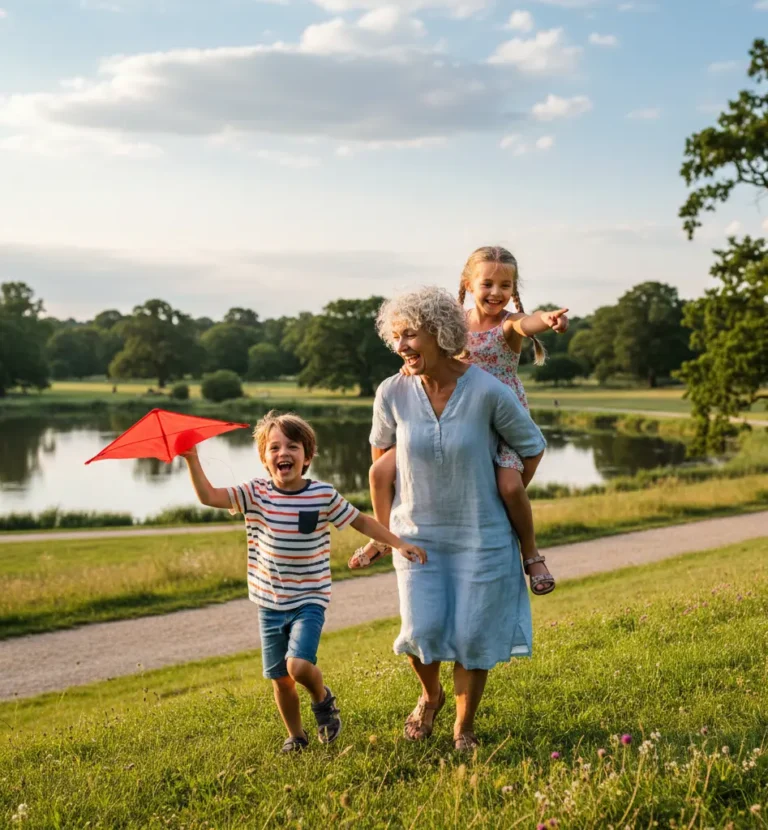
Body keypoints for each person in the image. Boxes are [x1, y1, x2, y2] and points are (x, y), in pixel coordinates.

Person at [365, 286, 547, 751]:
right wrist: (384, 531)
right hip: (416, 534)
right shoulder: (392, 392)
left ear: (441, 334)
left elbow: (531, 445)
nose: (402, 346)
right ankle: (431, 695)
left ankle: (463, 729)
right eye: (397, 337)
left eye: (411, 335)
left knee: (472, 637)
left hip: (481, 536)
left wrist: (505, 491)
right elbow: (381, 453)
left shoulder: (488, 391)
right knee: (420, 632)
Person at [181, 410, 427, 754]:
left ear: (307, 456)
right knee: (280, 679)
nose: (284, 453)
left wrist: (398, 542)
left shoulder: (322, 495)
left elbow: (361, 521)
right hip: (268, 602)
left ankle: (323, 699)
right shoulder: (255, 493)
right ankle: (296, 736)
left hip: (309, 599)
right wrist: (192, 458)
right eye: (275, 448)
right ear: (265, 459)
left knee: (296, 666)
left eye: (293, 447)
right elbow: (209, 496)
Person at [350, 246, 568, 596]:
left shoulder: (507, 324)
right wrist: (413, 361)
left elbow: (529, 322)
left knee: (509, 487)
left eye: (506, 285)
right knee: (379, 472)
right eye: (488, 283)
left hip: (499, 424)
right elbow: (423, 342)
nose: (496, 293)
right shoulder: (451, 322)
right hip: (450, 414)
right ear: (468, 284)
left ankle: (530, 553)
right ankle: (384, 536)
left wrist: (549, 320)